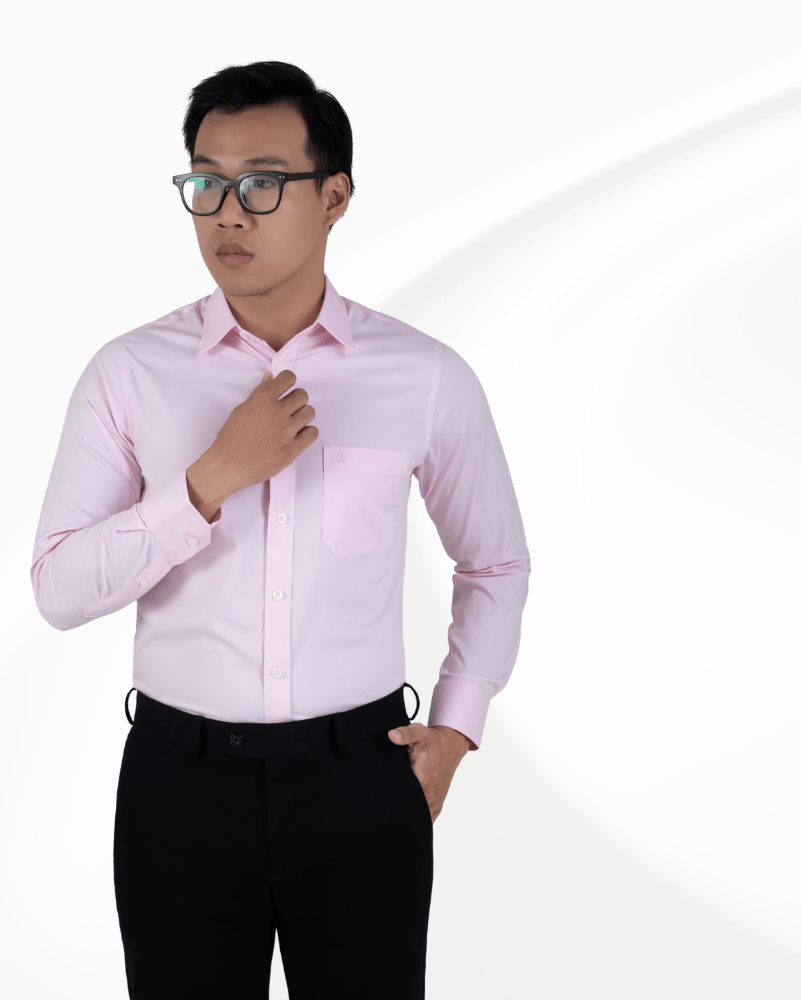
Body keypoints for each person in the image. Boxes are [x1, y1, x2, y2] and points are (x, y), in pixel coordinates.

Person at [30, 59, 531, 1000]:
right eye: (206, 183)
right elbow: (57, 587)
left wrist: (456, 729)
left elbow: (496, 561)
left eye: (262, 183)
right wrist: (210, 479)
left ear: (334, 196)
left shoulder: (424, 376)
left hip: (361, 781)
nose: (228, 214)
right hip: (180, 787)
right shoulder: (128, 374)